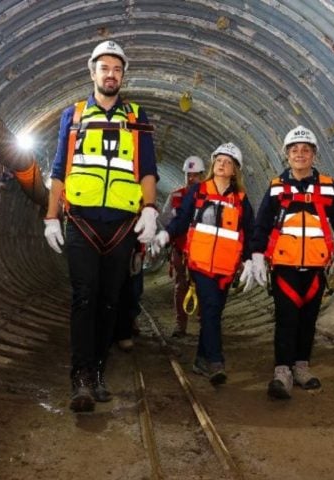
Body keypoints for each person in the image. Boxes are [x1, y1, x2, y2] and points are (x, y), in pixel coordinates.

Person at [43, 40, 158, 413]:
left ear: (123, 75)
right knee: (84, 296)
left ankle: (97, 371)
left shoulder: (137, 117)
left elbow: (147, 170)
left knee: (111, 301)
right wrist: (50, 216)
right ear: (92, 72)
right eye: (104, 68)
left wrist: (151, 209)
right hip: (81, 221)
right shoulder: (74, 116)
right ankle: (80, 378)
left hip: (121, 226)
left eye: (117, 69)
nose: (111, 75)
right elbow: (59, 169)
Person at [242, 125, 334, 400]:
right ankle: (282, 371)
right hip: (284, 267)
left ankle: (302, 366)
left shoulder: (326, 187)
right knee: (286, 318)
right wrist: (256, 255)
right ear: (287, 155)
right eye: (295, 150)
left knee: (308, 319)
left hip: (315, 267)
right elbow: (262, 224)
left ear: (313, 155)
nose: (300, 154)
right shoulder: (276, 188)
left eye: (305, 150)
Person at [152, 143, 254, 385]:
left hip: (226, 268)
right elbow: (182, 218)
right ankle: (216, 362)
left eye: (228, 162)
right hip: (200, 264)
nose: (222, 164)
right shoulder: (198, 192)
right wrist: (166, 234)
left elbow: (249, 231)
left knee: (213, 313)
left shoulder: (240, 199)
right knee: (209, 308)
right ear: (213, 164)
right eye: (219, 160)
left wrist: (250, 258)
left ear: (234, 170)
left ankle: (200, 359)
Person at [158, 156, 205, 337]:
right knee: (180, 285)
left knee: (203, 286)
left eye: (195, 175)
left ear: (202, 175)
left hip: (202, 250)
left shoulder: (208, 196)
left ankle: (204, 323)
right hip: (180, 248)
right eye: (188, 175)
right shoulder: (176, 196)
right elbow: (165, 219)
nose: (191, 178)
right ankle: (180, 325)